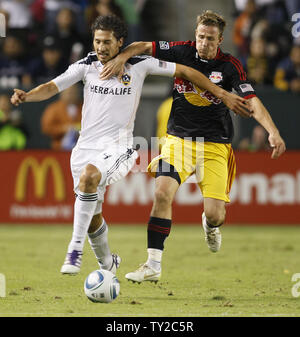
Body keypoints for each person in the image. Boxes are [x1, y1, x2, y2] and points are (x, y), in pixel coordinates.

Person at [10, 14, 251, 276]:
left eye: (106, 42)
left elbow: (186, 71)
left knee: (92, 177)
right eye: (96, 41)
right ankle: (107, 265)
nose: (100, 47)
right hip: (85, 148)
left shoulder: (139, 64)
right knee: (92, 217)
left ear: (119, 43)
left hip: (119, 146)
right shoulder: (87, 64)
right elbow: (52, 86)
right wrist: (28, 96)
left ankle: (74, 250)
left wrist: (221, 93)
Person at [100, 10, 286, 283]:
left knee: (215, 214)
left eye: (210, 39)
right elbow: (141, 46)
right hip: (178, 141)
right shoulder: (181, 51)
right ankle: (152, 264)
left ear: (220, 39)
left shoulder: (231, 66)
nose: (203, 43)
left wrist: (272, 131)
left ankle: (210, 226)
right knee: (162, 193)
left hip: (215, 147)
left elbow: (252, 100)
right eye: (200, 37)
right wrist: (121, 58)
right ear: (194, 36)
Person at [41, 84, 82, 150]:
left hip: (81, 148)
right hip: (59, 148)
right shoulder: (53, 109)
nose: (71, 95)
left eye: (74, 92)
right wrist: (63, 129)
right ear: (62, 93)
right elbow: (46, 128)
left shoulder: (84, 107)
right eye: (68, 92)